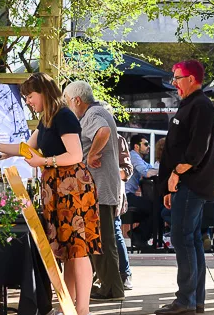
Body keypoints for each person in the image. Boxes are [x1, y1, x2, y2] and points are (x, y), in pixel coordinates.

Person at [0, 73, 101, 315]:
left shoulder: (64, 116)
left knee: (78, 250)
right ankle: (67, 305)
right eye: (25, 96)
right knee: (68, 251)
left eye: (29, 95)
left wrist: (44, 161)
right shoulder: (47, 118)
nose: (27, 101)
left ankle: (82, 309)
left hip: (72, 188)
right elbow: (27, 148)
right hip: (58, 188)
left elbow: (76, 155)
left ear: (44, 93)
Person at [155, 60, 214, 315]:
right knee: (191, 240)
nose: (174, 83)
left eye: (178, 78)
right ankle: (195, 300)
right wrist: (170, 185)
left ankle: (186, 302)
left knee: (183, 239)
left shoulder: (200, 105)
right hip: (186, 184)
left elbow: (197, 149)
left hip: (190, 183)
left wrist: (176, 175)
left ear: (191, 79)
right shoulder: (190, 104)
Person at [64, 81, 124, 302]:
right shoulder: (99, 111)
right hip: (102, 186)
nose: (69, 106)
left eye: (68, 102)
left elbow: (104, 131)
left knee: (103, 239)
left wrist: (92, 155)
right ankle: (108, 286)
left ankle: (112, 288)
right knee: (101, 238)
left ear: (77, 100)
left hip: (99, 187)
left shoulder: (93, 113)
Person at [126, 134, 157, 249]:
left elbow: (150, 168)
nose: (148, 147)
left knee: (152, 208)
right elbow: (147, 172)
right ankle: (138, 236)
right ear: (136, 146)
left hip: (128, 196)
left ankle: (139, 236)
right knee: (154, 208)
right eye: (145, 144)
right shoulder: (133, 156)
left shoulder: (138, 158)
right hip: (125, 196)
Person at [116, 133, 134, 290]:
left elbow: (127, 170)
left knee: (115, 232)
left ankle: (125, 273)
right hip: (90, 195)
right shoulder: (85, 135)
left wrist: (108, 168)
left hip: (112, 194)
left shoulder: (117, 139)